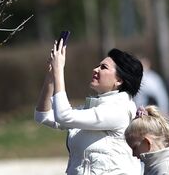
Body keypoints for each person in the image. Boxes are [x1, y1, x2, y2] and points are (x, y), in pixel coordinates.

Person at [35, 42, 143, 175]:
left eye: (103, 67)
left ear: (119, 81)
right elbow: (43, 115)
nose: (96, 69)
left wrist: (59, 70)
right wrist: (51, 75)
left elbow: (64, 116)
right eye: (98, 65)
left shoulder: (119, 110)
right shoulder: (94, 107)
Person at [125, 105, 169, 175]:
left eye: (135, 148)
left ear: (148, 142)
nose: (133, 154)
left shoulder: (168, 171)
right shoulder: (156, 166)